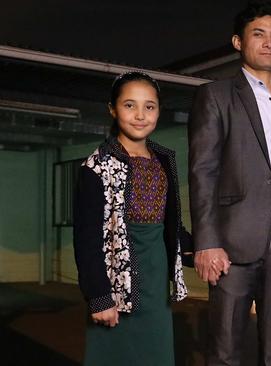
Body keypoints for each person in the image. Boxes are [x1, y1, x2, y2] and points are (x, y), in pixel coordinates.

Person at [187, 2, 271, 365]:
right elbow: (203, 172)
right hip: (232, 242)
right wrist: (207, 242)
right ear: (238, 42)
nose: (268, 43)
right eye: (258, 35)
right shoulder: (215, 96)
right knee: (224, 349)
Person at [73, 71, 189, 366]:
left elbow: (171, 224)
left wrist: (201, 248)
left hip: (156, 280)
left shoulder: (164, 159)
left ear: (159, 111)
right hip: (114, 282)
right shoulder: (97, 164)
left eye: (149, 106)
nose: (140, 115)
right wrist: (99, 297)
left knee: (156, 356)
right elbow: (86, 238)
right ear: (112, 108)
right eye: (129, 105)